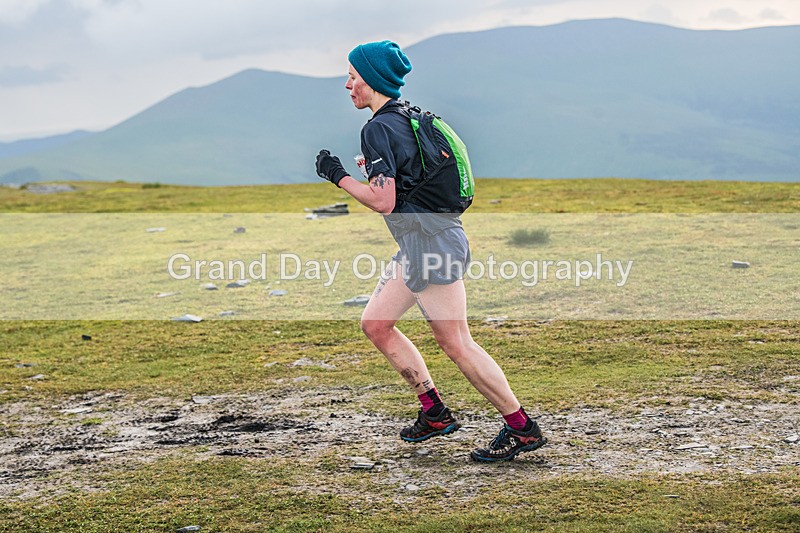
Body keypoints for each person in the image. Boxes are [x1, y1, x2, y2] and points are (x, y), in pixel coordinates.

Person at [315, 40, 546, 462]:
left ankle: (522, 428)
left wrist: (339, 177)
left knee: (457, 343)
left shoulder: (377, 128)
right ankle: (434, 412)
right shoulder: (410, 117)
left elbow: (383, 201)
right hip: (423, 242)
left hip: (430, 246)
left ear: (372, 79)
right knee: (376, 324)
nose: (348, 85)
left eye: (353, 76)